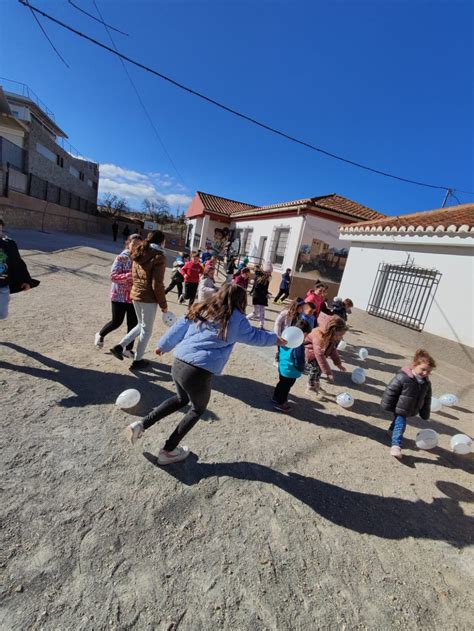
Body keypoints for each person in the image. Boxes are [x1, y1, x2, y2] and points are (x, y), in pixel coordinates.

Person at [124, 284, 286, 464]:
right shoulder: (236, 319)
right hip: (198, 372)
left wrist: (163, 345)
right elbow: (255, 336)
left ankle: (140, 424)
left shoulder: (202, 307)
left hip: (179, 362)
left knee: (181, 399)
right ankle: (168, 451)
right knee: (197, 409)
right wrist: (276, 339)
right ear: (241, 301)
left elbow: (179, 326)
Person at [110, 230, 168, 370]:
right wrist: (164, 305)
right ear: (161, 241)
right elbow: (157, 284)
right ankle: (138, 360)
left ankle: (119, 347)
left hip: (136, 295)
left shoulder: (140, 252)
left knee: (141, 325)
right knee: (146, 330)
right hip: (148, 298)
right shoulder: (159, 257)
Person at [381, 349, 435, 459]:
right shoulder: (403, 377)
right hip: (400, 407)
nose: (425, 373)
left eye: (428, 372)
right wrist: (387, 404)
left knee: (397, 421)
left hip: (409, 408)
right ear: (414, 365)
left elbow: (427, 398)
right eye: (423, 369)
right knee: (401, 424)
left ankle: (391, 431)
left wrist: (425, 412)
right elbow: (391, 390)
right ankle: (396, 445)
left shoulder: (426, 383)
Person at [95, 233, 142, 355]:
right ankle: (100, 334)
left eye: (139, 245)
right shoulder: (121, 258)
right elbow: (113, 276)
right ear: (128, 243)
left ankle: (128, 349)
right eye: (134, 244)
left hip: (133, 297)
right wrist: (130, 276)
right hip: (119, 297)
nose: (136, 247)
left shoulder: (139, 259)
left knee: (133, 325)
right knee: (116, 322)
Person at [0, 218, 39, 320]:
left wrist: (25, 280)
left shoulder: (8, 245)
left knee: (2, 314)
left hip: (2, 286)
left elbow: (18, 264)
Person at [272, 320, 312, 411]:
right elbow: (299, 359)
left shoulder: (285, 338)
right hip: (291, 371)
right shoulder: (298, 345)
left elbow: (279, 351)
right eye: (307, 335)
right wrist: (301, 369)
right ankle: (281, 403)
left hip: (282, 367)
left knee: (281, 384)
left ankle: (275, 397)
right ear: (304, 333)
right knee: (286, 388)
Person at [304, 315, 347, 394]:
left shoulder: (331, 336)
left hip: (318, 353)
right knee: (315, 368)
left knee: (319, 369)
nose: (340, 338)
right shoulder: (319, 336)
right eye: (340, 335)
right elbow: (319, 354)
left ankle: (316, 384)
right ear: (332, 331)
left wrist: (338, 364)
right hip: (310, 352)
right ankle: (310, 386)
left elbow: (332, 350)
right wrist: (328, 372)